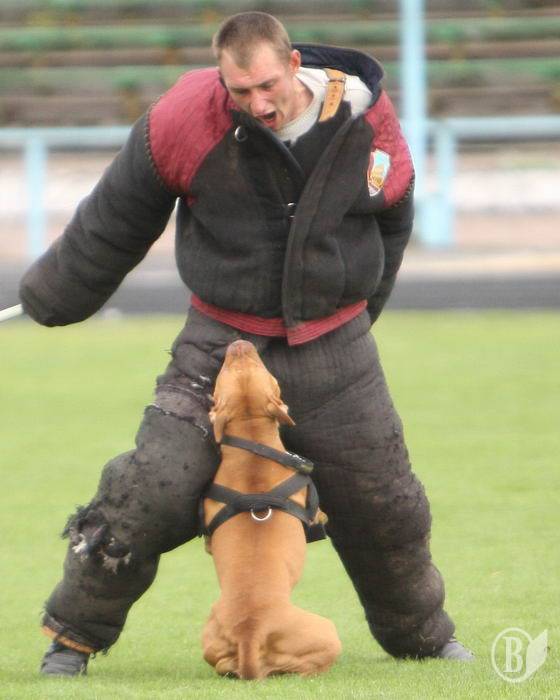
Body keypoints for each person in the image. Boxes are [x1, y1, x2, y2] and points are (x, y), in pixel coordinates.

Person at [20, 12, 473, 676]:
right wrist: (52, 296)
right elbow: (115, 218)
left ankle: (424, 638)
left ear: (294, 65)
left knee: (387, 506)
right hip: (219, 341)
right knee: (146, 489)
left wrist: (358, 317)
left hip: (335, 344)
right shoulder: (184, 119)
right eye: (240, 91)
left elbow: (392, 217)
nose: (257, 104)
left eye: (267, 86)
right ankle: (72, 640)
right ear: (220, 79)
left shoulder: (364, 118)